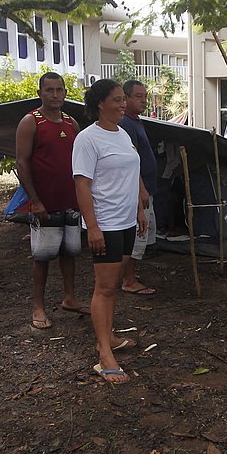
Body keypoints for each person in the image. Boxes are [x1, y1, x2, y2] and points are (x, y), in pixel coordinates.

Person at [73, 79, 148, 384]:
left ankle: (110, 336)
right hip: (105, 224)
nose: (122, 104)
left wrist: (139, 209)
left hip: (126, 221)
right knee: (104, 288)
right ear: (100, 104)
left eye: (122, 100)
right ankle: (104, 354)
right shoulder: (87, 139)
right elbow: (82, 184)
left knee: (113, 285)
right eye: (117, 100)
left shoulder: (123, 133)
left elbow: (133, 171)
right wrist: (92, 226)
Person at [15, 72, 90, 329]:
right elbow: (22, 163)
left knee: (70, 252)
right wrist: (34, 200)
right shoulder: (31, 122)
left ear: (65, 93)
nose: (55, 95)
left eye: (59, 90)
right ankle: (39, 306)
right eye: (49, 90)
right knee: (42, 256)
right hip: (44, 202)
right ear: (40, 93)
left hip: (70, 199)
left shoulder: (71, 123)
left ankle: (70, 297)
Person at [118, 80, 157, 296]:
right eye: (138, 96)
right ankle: (128, 280)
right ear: (126, 98)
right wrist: (140, 190)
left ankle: (128, 276)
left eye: (145, 96)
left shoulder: (136, 121)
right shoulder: (126, 124)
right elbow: (131, 161)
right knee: (136, 235)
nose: (143, 100)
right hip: (137, 191)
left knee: (141, 234)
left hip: (146, 188)